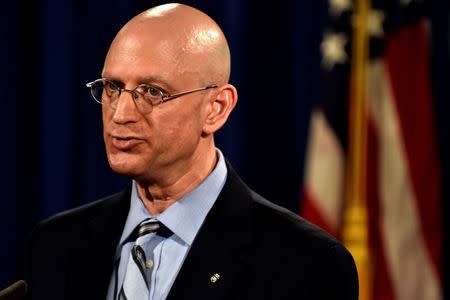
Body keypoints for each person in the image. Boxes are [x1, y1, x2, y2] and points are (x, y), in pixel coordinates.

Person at [22, 3, 358, 300]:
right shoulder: (56, 246)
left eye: (151, 91)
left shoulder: (306, 265)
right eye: (113, 87)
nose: (120, 113)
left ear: (216, 108)